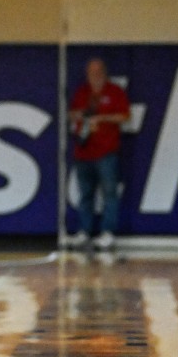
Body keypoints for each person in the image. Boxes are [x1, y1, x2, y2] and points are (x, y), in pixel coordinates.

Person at [66, 58, 130, 252]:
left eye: (98, 71)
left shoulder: (115, 92)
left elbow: (125, 116)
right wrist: (83, 116)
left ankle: (107, 233)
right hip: (83, 152)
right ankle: (85, 232)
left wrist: (102, 118)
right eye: (91, 72)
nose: (95, 75)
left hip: (106, 152)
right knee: (85, 194)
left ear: (105, 72)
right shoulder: (82, 92)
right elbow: (71, 114)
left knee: (109, 193)